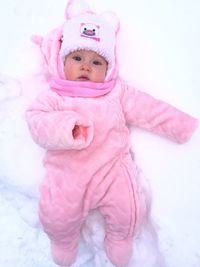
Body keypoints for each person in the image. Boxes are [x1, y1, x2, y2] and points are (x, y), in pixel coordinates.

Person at [26, 1, 199, 266]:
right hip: (67, 175)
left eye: (97, 61)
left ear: (109, 68)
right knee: (56, 215)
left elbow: (151, 110)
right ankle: (63, 240)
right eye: (77, 58)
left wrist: (182, 125)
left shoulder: (117, 93)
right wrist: (66, 127)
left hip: (112, 171)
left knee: (129, 211)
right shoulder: (54, 96)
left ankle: (119, 238)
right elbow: (36, 122)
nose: (86, 66)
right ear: (62, 62)